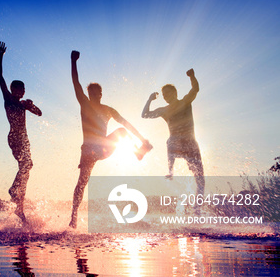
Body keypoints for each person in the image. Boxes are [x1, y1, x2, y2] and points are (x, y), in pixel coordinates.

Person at [68, 50, 153, 229]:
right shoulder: (84, 103)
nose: (95, 96)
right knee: (82, 183)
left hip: (103, 148)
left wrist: (142, 139)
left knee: (121, 130)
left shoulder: (108, 109)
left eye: (98, 93)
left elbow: (126, 124)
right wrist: (73, 61)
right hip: (88, 151)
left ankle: (138, 152)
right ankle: (74, 217)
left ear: (101, 94)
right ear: (89, 94)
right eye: (92, 93)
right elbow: (75, 83)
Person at [0, 41, 43, 223]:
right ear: (13, 89)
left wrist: (32, 105)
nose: (21, 91)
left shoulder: (24, 104)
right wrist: (0, 56)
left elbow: (40, 114)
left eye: (23, 90)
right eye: (19, 89)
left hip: (24, 138)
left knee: (27, 167)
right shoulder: (8, 98)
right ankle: (13, 191)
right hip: (14, 137)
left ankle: (19, 206)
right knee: (25, 166)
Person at [141, 68, 204, 196]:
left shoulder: (185, 102)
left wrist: (192, 76)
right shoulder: (164, 110)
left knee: (200, 179)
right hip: (176, 144)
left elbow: (195, 89)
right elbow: (145, 114)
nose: (165, 97)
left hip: (191, 144)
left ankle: (197, 209)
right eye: (164, 95)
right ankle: (170, 170)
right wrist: (149, 99)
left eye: (168, 93)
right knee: (170, 139)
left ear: (175, 92)